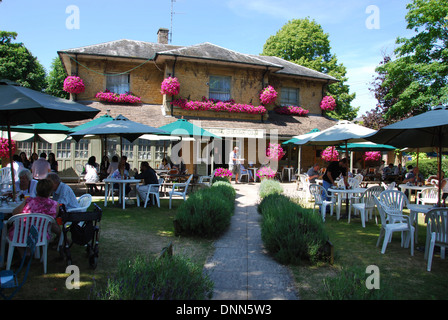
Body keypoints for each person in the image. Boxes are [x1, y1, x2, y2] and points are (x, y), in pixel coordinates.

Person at [11, 179, 61, 246]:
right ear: (50, 191)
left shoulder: (29, 201)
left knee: (12, 229)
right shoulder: (55, 205)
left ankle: (24, 254)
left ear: (37, 189)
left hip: (21, 234)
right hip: (41, 235)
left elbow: (14, 213)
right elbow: (53, 219)